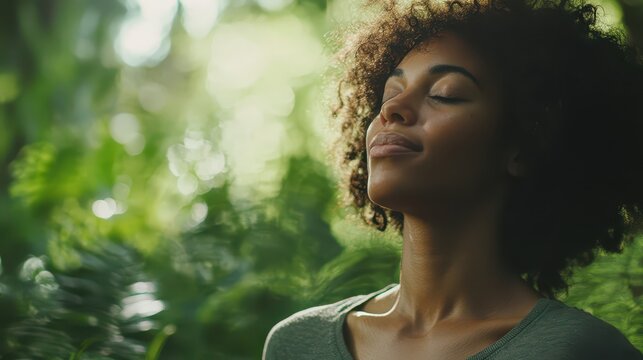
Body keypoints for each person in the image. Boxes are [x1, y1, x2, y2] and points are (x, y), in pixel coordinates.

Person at [263, 0, 643, 358]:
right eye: (389, 94)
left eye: (445, 94)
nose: (392, 110)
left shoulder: (578, 350)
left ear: (523, 147)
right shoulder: (297, 344)